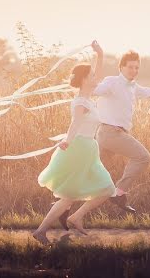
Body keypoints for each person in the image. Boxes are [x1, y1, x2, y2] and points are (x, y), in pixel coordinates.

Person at [32, 41, 115, 245]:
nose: (96, 78)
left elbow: (99, 72)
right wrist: (67, 141)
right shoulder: (80, 102)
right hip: (78, 149)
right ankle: (42, 230)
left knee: (104, 188)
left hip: (88, 150)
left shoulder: (88, 97)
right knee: (72, 195)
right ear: (85, 80)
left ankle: (73, 218)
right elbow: (75, 123)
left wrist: (100, 54)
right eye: (92, 76)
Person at [94, 50, 150, 213]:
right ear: (121, 67)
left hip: (109, 136)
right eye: (130, 67)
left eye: (137, 68)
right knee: (143, 157)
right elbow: (96, 90)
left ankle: (64, 203)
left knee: (92, 171)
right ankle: (119, 193)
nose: (134, 71)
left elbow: (145, 91)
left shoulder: (132, 86)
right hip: (111, 134)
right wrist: (99, 58)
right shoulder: (112, 82)